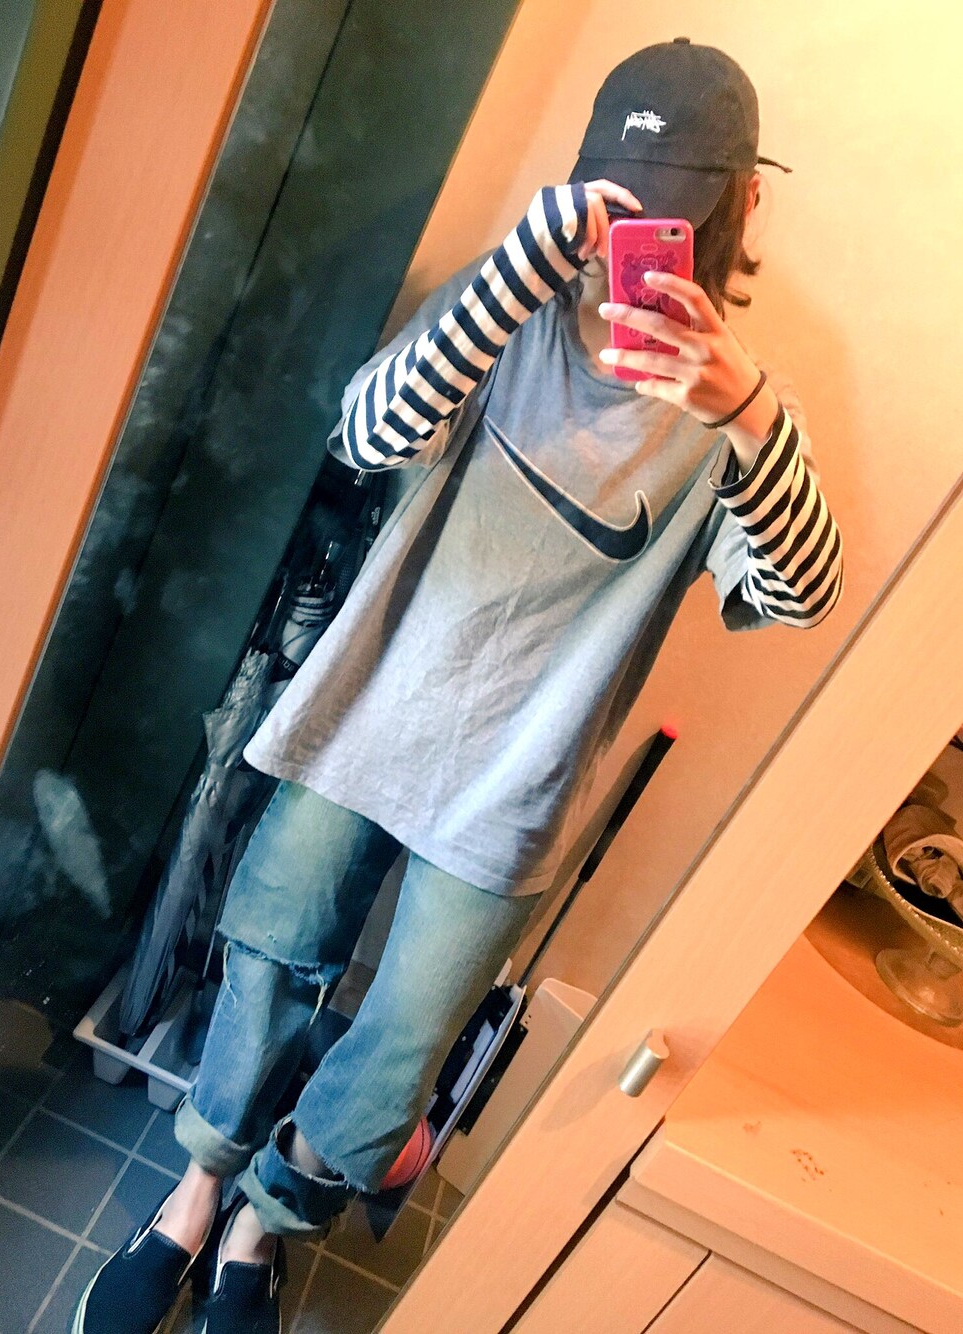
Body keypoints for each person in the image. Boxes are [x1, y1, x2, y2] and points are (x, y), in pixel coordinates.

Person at [75, 37, 843, 1334]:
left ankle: (267, 1218)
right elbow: (366, 431)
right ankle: (195, 1194)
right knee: (267, 955)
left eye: (670, 205)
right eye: (615, 198)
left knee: (401, 1046)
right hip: (368, 712)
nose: (634, 236)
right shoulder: (509, 316)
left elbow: (799, 596)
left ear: (740, 203)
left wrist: (751, 413)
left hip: (516, 785)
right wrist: (518, 268)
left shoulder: (739, 416)